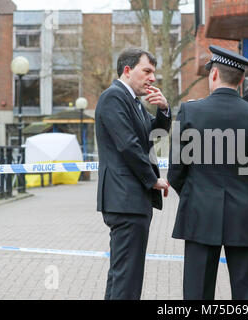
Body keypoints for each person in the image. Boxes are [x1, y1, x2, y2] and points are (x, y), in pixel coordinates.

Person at [167, 45, 248, 300]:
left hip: (199, 212)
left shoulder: (190, 112)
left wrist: (195, 192)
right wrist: (246, 190)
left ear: (213, 74)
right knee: (246, 290)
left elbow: (175, 171)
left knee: (197, 292)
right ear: (240, 80)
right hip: (244, 212)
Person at [95, 48, 171, 300]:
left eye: (154, 73)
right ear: (127, 71)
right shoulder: (114, 98)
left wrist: (163, 111)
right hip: (125, 201)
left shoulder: (134, 102)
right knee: (127, 279)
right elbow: (128, 144)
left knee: (123, 276)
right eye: (146, 71)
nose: (152, 78)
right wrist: (153, 180)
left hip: (132, 202)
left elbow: (152, 136)